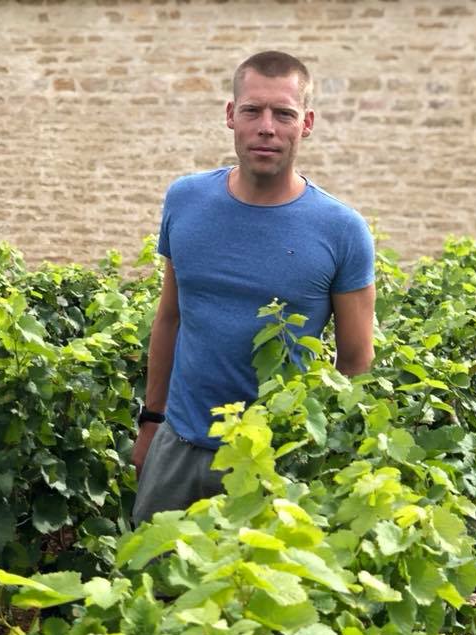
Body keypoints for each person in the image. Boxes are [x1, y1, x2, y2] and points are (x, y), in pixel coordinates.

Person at [131, 50, 376, 526]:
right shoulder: (185, 200)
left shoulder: (342, 230)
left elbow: (355, 363)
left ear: (305, 123)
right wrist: (150, 424)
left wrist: (333, 466)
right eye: (253, 111)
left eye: (283, 113)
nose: (267, 126)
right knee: (153, 589)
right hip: (177, 448)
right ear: (231, 116)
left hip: (278, 464)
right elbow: (170, 318)